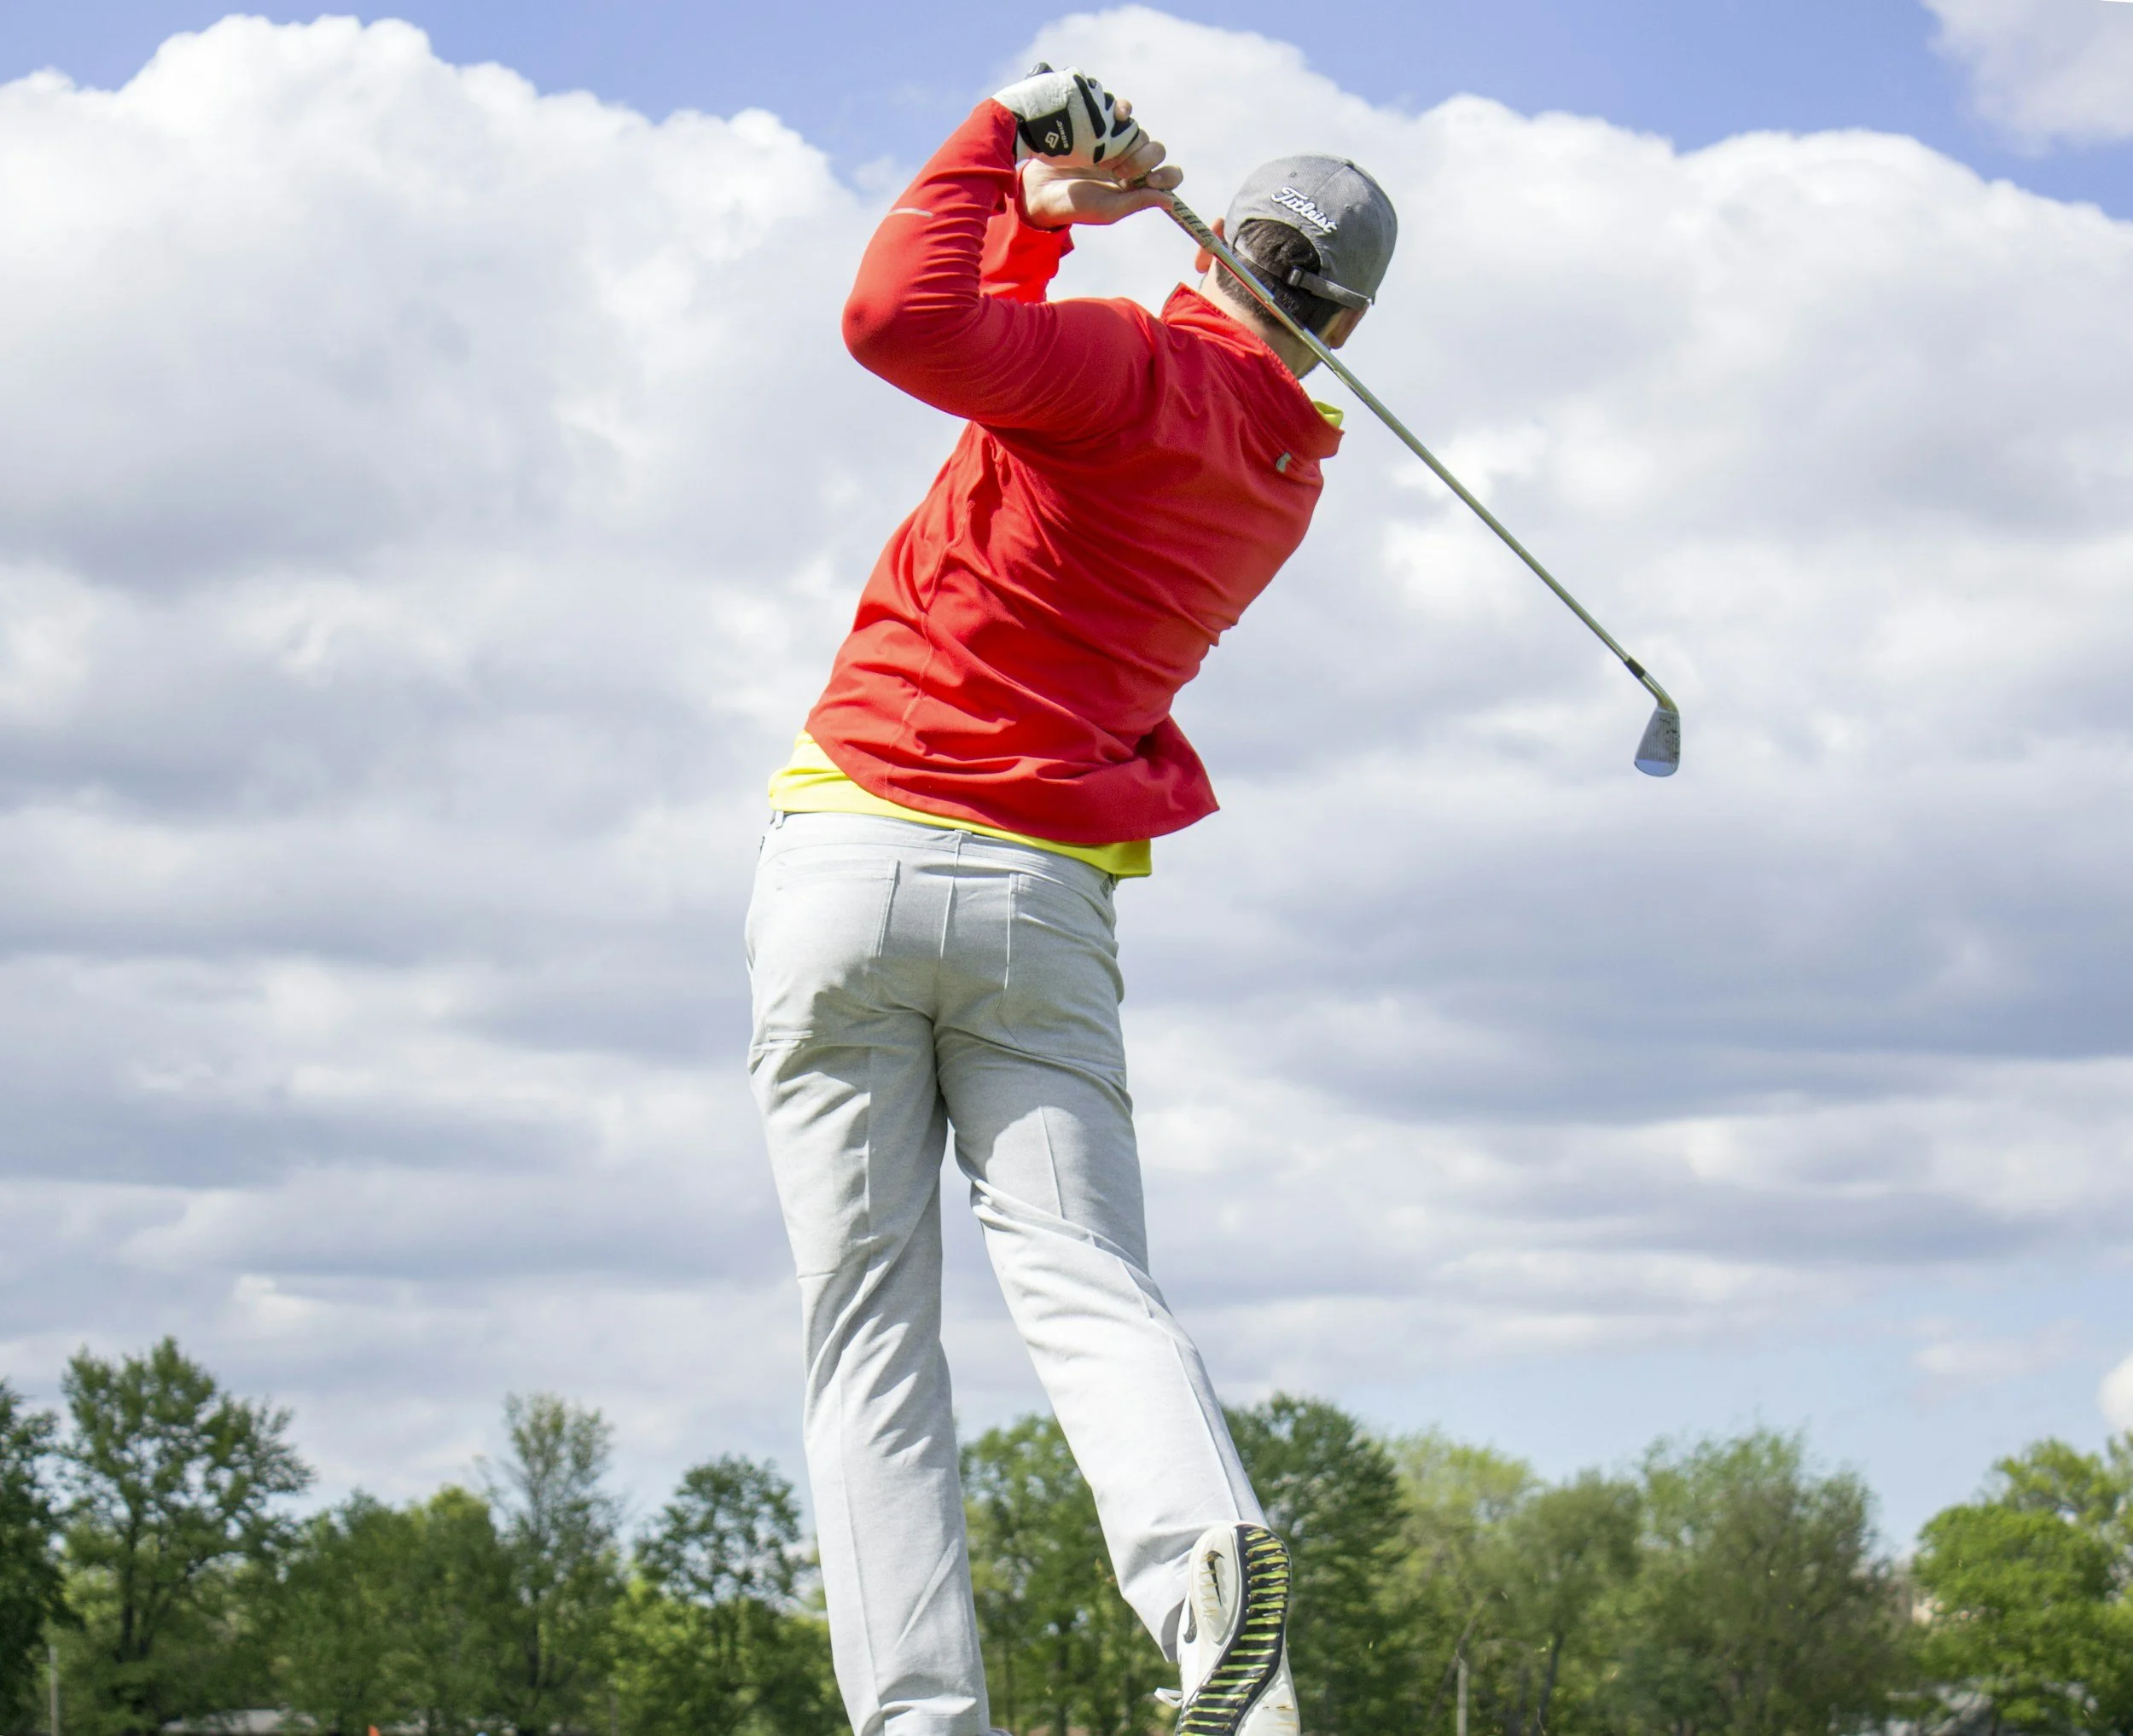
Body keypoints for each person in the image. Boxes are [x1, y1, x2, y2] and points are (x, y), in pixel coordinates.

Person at [745, 62, 1398, 1736]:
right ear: (1343, 321)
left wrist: (998, 148)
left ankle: (917, 1719)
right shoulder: (1280, 474)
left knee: (869, 1341)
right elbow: (1008, 385)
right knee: (1089, 1287)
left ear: (1217, 241)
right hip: (1039, 907)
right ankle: (1217, 1617)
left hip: (853, 859)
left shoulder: (1126, 361)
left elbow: (899, 321)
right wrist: (1039, 232)